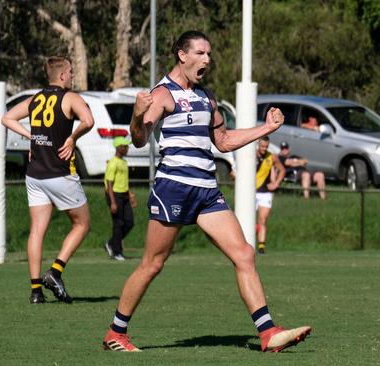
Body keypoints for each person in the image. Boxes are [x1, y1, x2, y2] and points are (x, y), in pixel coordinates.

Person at [102, 31, 311, 353]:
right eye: (200, 53)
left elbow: (224, 141)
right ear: (181, 55)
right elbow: (140, 139)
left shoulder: (207, 97)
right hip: (173, 188)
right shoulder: (162, 94)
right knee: (152, 264)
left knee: (244, 254)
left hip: (207, 191)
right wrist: (136, 114)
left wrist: (266, 129)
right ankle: (116, 332)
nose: (207, 60)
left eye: (209, 54)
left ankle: (268, 333)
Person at [1, 56, 94, 304]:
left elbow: (7, 118)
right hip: (60, 172)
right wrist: (73, 138)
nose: (73, 76)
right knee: (82, 224)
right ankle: (55, 271)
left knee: (37, 231)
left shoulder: (36, 99)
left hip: (34, 175)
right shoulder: (70, 97)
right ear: (62, 76)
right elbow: (89, 121)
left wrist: (30, 137)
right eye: (71, 72)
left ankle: (35, 291)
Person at [104, 136, 137, 261]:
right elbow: (109, 184)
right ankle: (117, 252)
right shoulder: (113, 163)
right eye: (125, 147)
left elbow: (124, 182)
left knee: (129, 222)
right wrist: (112, 202)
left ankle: (111, 243)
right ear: (119, 148)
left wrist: (130, 196)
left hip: (124, 195)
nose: (127, 149)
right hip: (114, 195)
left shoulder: (124, 162)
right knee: (118, 223)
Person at [255, 136, 285, 254]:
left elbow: (282, 170)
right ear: (258, 144)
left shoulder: (271, 157)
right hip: (250, 192)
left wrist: (276, 183)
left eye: (266, 147)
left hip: (265, 193)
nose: (264, 148)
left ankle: (261, 247)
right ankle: (246, 243)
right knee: (247, 219)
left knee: (263, 219)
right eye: (262, 146)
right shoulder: (251, 155)